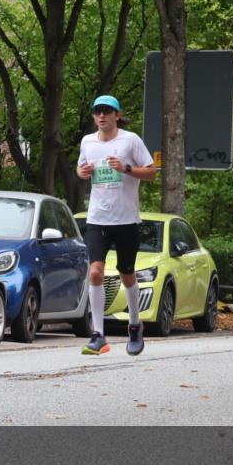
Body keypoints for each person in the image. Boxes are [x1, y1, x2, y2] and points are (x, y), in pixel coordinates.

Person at [76, 95, 157, 356]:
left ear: (117, 114)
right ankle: (98, 334)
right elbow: (80, 169)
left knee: (126, 273)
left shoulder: (130, 140)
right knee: (96, 272)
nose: (102, 116)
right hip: (97, 218)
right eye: (97, 112)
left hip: (126, 220)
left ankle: (134, 325)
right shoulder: (87, 141)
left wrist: (126, 168)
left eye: (107, 111)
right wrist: (83, 172)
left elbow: (152, 172)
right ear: (94, 116)